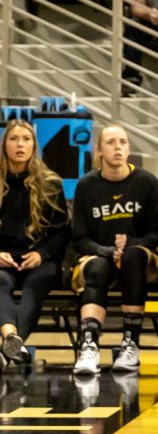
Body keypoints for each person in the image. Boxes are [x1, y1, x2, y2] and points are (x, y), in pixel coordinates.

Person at [71, 123, 158, 375]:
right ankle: (89, 346)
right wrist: (105, 251)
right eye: (111, 143)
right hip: (100, 255)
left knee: (133, 257)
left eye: (122, 142)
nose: (118, 148)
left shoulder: (146, 182)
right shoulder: (86, 185)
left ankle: (130, 344)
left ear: (129, 148)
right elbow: (79, 237)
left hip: (139, 258)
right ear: (99, 150)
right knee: (98, 267)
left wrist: (131, 243)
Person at [0, 120, 70, 367]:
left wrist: (42, 254)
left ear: (34, 146)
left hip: (39, 259)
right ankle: (11, 340)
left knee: (36, 283)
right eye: (14, 139)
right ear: (4, 145)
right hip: (4, 259)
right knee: (0, 281)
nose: (20, 144)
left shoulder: (50, 183)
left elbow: (62, 232)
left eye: (26, 139)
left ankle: (7, 348)